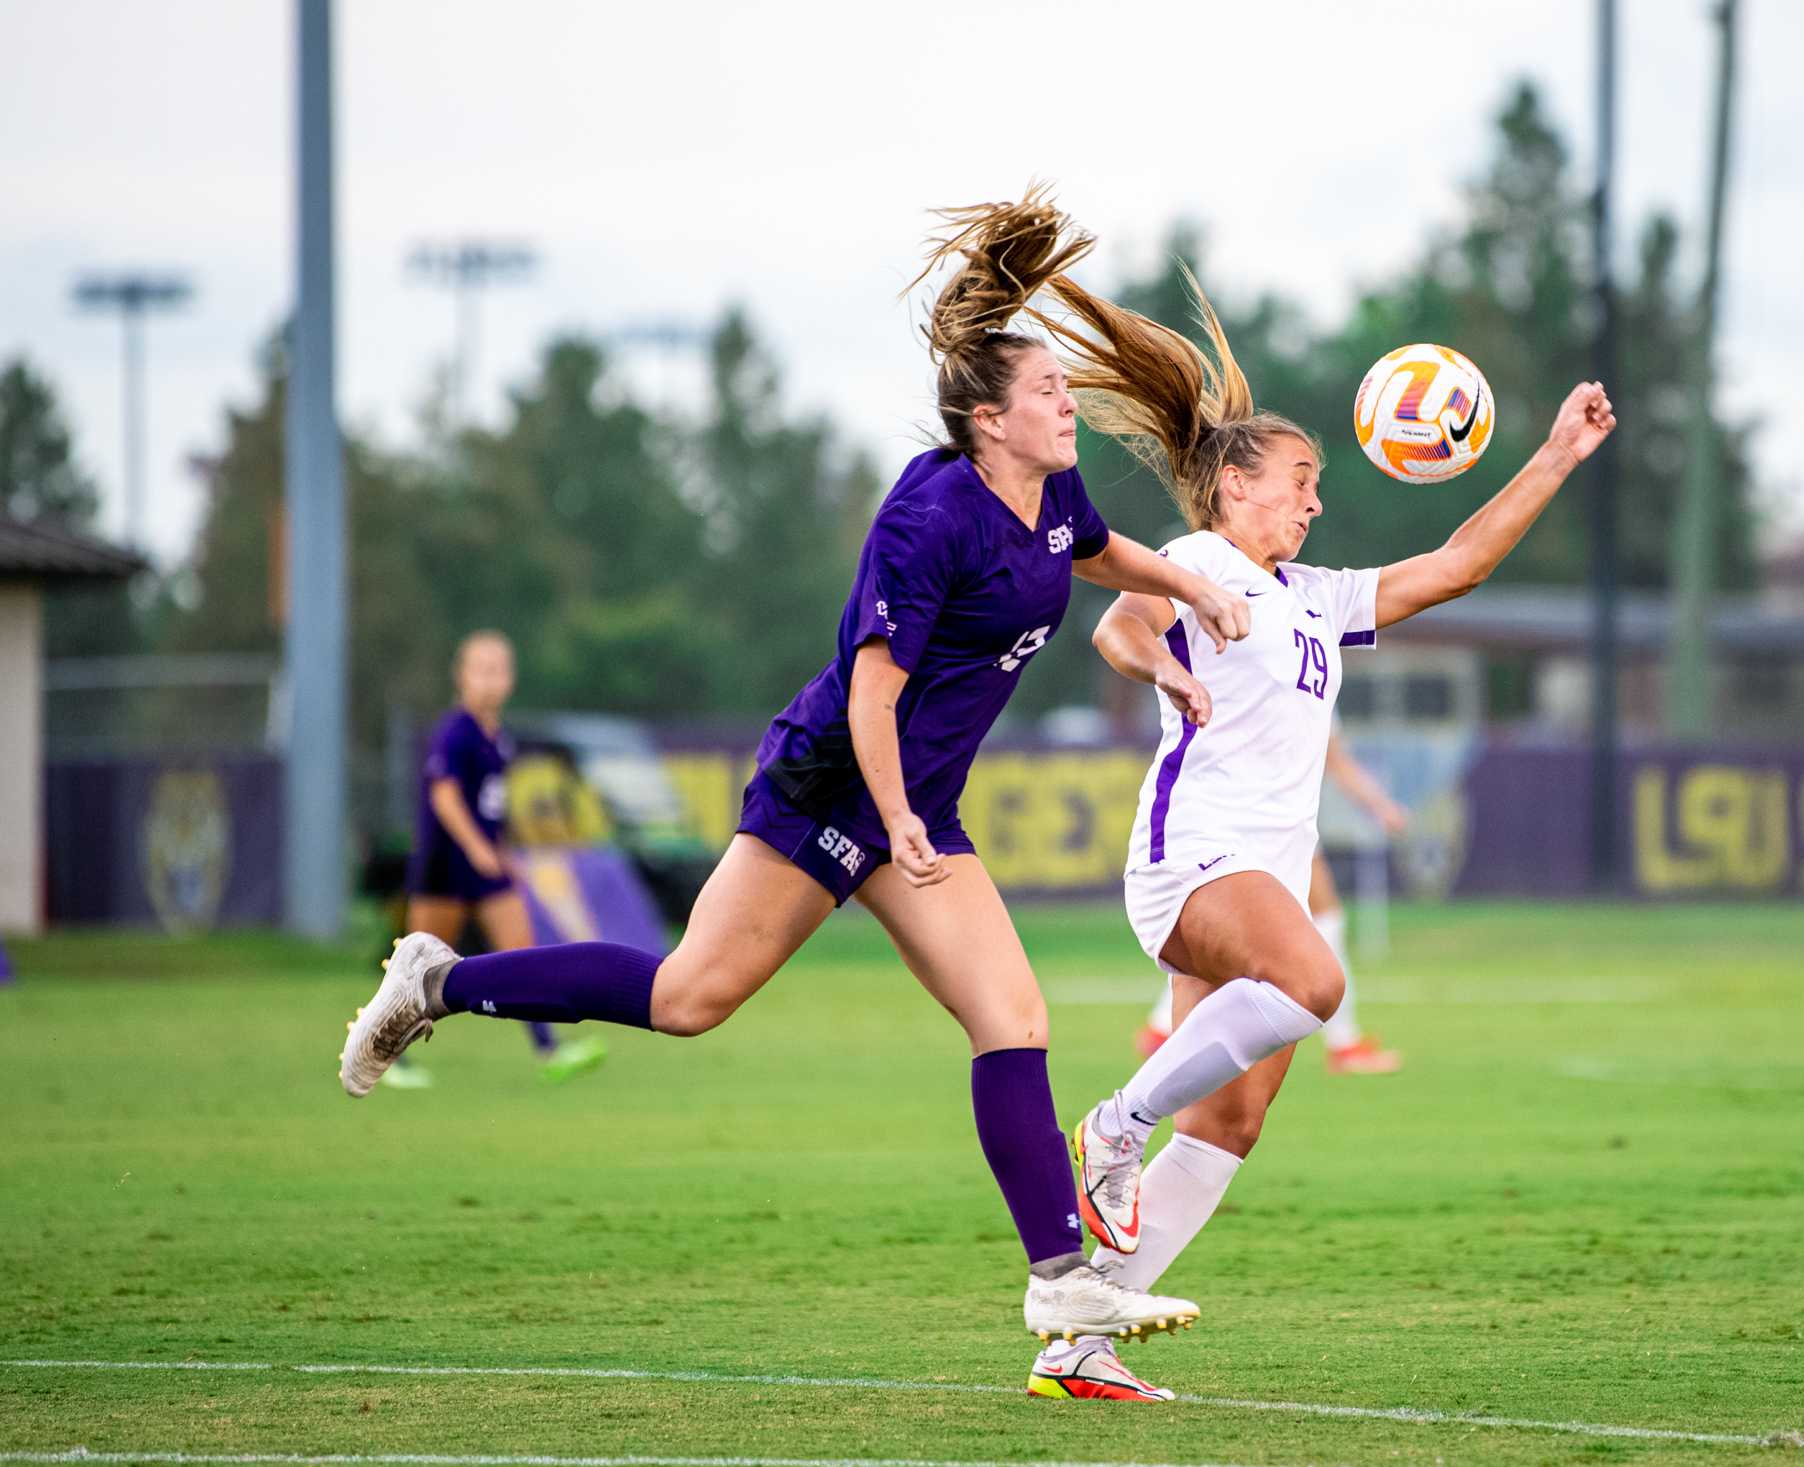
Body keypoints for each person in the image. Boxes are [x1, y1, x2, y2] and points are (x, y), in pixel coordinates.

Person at [337, 190, 1253, 1388]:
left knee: (1012, 1021)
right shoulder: (927, 519)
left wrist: (1193, 593)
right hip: (833, 786)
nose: (1067, 404)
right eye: (1045, 395)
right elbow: (872, 694)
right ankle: (437, 980)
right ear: (987, 421)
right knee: (687, 998)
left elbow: (1093, 556)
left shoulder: (1048, 493)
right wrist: (903, 817)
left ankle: (1057, 1278)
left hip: (915, 810)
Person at [1034, 264, 1613, 1393]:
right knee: (1313, 981)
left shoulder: (1314, 595)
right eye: (1298, 480)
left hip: (1253, 871)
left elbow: (1455, 566)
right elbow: (1117, 628)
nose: (1311, 502)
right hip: (1192, 857)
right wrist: (1167, 665)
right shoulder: (1203, 561)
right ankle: (1113, 1126)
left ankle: (1080, 1341)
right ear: (1233, 487)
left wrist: (1554, 456)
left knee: (1238, 1117)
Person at [383, 630, 606, 1090]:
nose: (491, 679)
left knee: (522, 955)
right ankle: (386, 1055)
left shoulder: (498, 740)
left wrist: (501, 853)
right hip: (445, 867)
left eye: (499, 670)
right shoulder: (454, 732)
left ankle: (549, 1048)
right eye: (481, 669)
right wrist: (477, 849)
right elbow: (444, 797)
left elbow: (489, 810)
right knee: (417, 969)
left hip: (485, 869)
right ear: (462, 676)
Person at [1134, 729, 1406, 1075]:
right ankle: (1344, 1042)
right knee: (1320, 921)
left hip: (1268, 821)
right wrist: (1381, 807)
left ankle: (1160, 1029)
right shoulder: (1297, 677)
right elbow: (1336, 761)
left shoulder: (1310, 679)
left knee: (1240, 935)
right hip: (1262, 823)